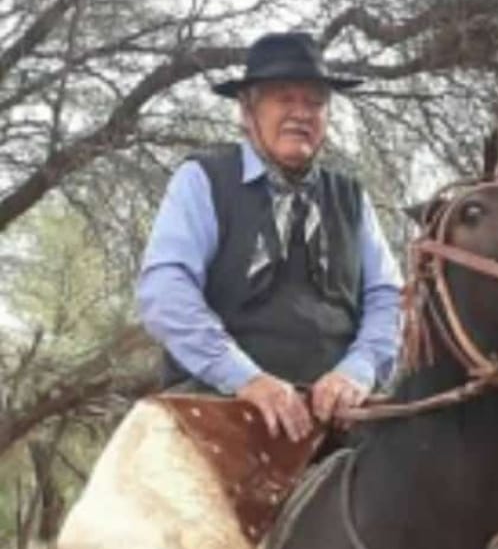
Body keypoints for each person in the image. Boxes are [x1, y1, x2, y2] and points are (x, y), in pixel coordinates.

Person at [137, 30, 403, 440]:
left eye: (315, 102)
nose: (301, 113)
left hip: (340, 417)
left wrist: (358, 371)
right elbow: (164, 292)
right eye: (284, 98)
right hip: (215, 409)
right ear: (247, 112)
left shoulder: (351, 197)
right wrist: (246, 378)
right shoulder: (203, 179)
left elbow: (389, 298)